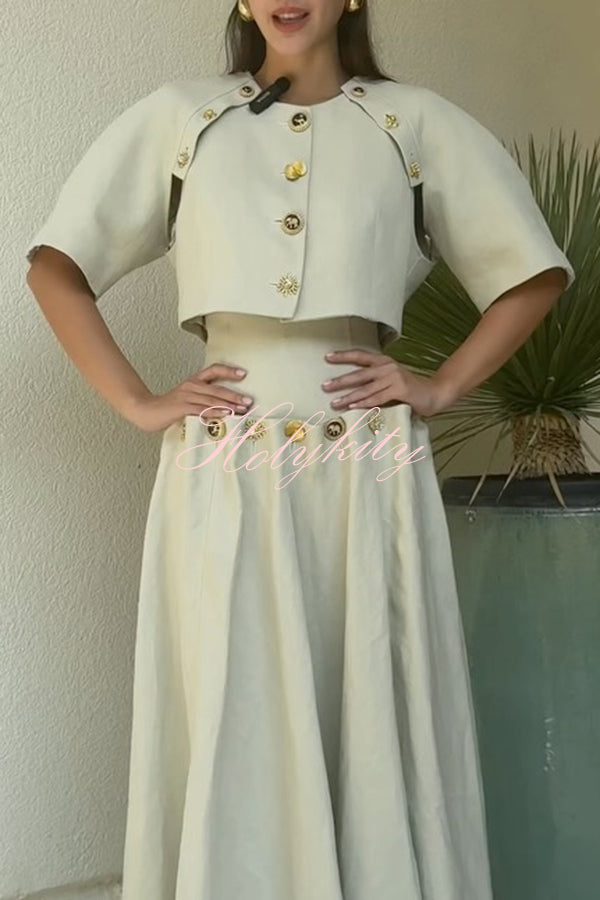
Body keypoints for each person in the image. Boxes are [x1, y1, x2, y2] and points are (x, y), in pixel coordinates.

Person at [24, 1, 575, 898]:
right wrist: (136, 400)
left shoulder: (414, 122)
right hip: (225, 462)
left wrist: (440, 386)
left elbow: (531, 270)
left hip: (366, 462)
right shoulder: (182, 118)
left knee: (369, 687)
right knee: (231, 691)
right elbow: (57, 264)